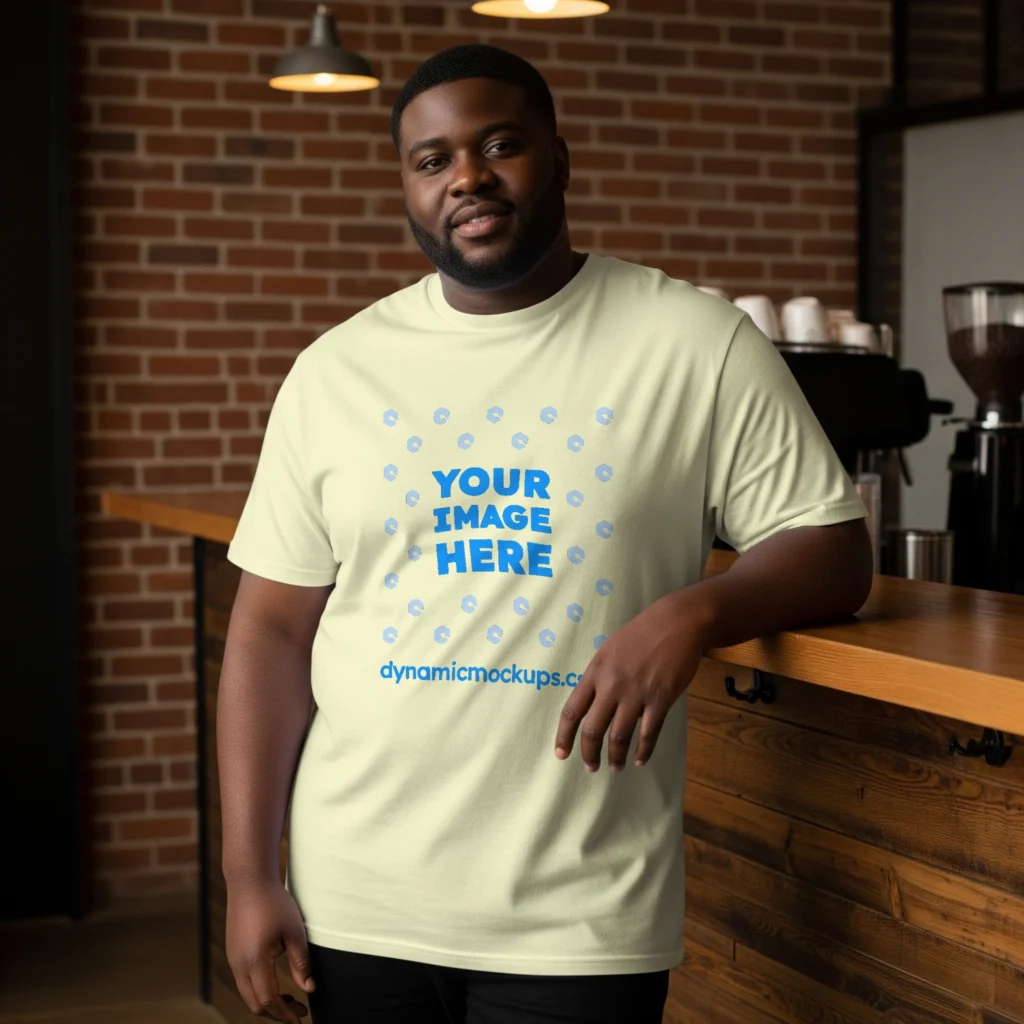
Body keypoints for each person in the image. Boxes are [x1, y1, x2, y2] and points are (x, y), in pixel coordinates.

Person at [218, 43, 873, 1024]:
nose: (467, 177)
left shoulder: (692, 342)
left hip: (580, 912)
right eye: (432, 160)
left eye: (498, 145)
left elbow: (833, 547)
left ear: (558, 158)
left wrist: (693, 613)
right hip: (356, 898)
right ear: (408, 188)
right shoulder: (334, 372)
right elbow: (271, 629)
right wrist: (247, 875)